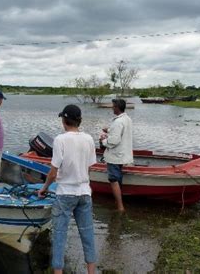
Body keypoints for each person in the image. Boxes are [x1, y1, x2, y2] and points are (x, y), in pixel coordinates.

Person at [38, 104, 97, 274]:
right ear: (79, 121)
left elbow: (53, 172)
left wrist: (44, 188)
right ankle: (91, 272)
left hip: (65, 194)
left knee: (60, 236)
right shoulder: (89, 139)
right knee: (87, 235)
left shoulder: (60, 140)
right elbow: (90, 168)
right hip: (85, 193)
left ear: (64, 121)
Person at [99, 98, 133, 212]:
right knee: (118, 179)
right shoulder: (127, 119)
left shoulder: (118, 122)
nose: (112, 108)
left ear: (117, 108)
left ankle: (120, 207)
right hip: (122, 155)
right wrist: (108, 130)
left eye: (113, 106)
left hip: (115, 156)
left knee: (113, 180)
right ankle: (118, 203)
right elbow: (119, 133)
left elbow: (113, 141)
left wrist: (103, 140)